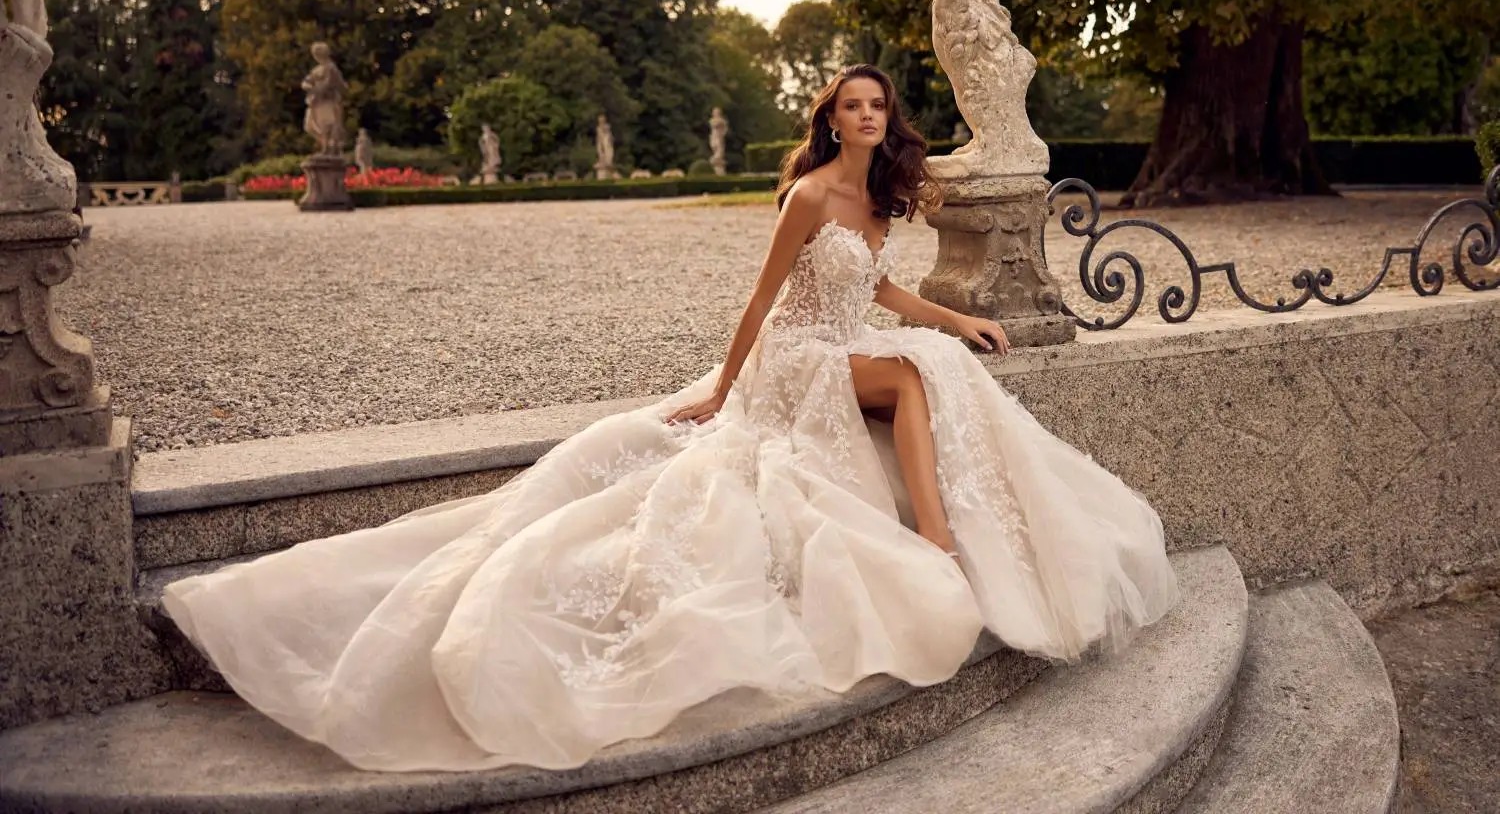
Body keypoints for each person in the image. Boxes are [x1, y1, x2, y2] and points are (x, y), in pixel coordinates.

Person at [162, 64, 1177, 774]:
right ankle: (940, 538)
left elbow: (885, 294)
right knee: (916, 379)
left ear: (887, 120)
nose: (866, 118)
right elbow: (761, 307)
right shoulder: (810, 197)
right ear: (832, 119)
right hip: (793, 359)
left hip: (843, 349)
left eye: (878, 107)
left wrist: (959, 313)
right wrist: (727, 391)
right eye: (852, 107)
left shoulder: (875, 207)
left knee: (932, 357)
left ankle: (947, 526)